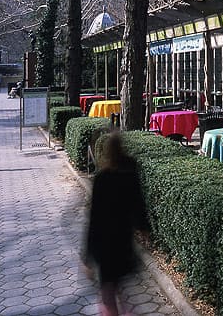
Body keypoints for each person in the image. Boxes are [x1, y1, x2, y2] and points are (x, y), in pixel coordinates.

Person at [83, 133, 147, 316]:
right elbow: (138, 206)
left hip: (104, 244)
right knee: (119, 286)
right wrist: (144, 228)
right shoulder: (130, 175)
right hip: (123, 240)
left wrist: (87, 256)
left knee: (108, 291)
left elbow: (94, 219)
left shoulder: (102, 179)